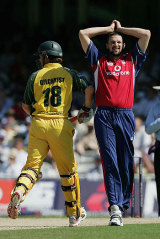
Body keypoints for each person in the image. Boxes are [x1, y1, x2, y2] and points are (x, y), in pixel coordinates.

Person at [7, 40, 94, 227]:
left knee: (32, 166)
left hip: (38, 123)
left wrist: (38, 116)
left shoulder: (35, 76)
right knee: (68, 171)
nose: (40, 59)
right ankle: (74, 214)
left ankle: (19, 192)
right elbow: (89, 89)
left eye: (40, 56)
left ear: (46, 56)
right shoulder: (69, 73)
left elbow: (24, 105)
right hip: (60, 125)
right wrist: (86, 109)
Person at [78, 20, 151, 226]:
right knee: (109, 161)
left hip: (125, 115)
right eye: (112, 42)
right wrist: (108, 30)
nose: (116, 45)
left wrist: (121, 30)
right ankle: (115, 208)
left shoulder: (132, 60)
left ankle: (124, 204)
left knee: (126, 161)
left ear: (124, 45)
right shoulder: (98, 60)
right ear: (107, 45)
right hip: (104, 116)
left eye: (119, 42)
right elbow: (83, 34)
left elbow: (145, 33)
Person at [145, 85, 160, 217]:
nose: (159, 94)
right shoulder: (154, 108)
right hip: (159, 145)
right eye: (158, 92)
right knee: (159, 180)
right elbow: (148, 129)